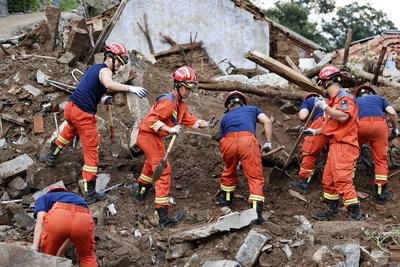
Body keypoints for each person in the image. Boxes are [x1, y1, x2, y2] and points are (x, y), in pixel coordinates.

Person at [40, 42, 148, 203]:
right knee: (91, 151)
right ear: (110, 58)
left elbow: (90, 89)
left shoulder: (93, 69)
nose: (119, 66)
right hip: (83, 114)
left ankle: (51, 155)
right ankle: (89, 192)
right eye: (118, 61)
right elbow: (109, 84)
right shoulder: (105, 70)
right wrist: (131, 89)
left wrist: (103, 98)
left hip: (71, 108)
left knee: (68, 132)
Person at [131, 66, 215, 227]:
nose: (189, 91)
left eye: (191, 88)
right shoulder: (168, 102)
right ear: (177, 84)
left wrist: (207, 124)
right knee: (164, 172)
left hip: (153, 137)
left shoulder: (180, 105)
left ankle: (140, 191)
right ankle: (162, 217)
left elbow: (191, 120)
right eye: (186, 87)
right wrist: (170, 129)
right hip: (148, 136)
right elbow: (150, 121)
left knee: (152, 164)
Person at [304, 65, 363, 221]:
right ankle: (332, 209)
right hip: (335, 145)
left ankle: (355, 213)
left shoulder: (345, 99)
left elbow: (343, 117)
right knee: (328, 179)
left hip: (345, 146)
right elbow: (331, 127)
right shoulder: (334, 102)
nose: (323, 87)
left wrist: (325, 108)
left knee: (342, 179)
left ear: (327, 82)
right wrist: (314, 132)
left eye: (323, 83)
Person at [217, 90, 273, 224]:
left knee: (229, 171)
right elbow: (267, 122)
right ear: (243, 103)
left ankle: (226, 202)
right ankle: (255, 215)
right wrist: (268, 143)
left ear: (228, 106)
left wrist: (236, 160)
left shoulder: (225, 117)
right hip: (247, 141)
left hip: (228, 142)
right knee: (254, 176)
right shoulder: (252, 109)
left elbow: (223, 138)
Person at [354, 83, 398, 204]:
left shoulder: (355, 101)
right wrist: (395, 128)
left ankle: (348, 186)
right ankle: (380, 193)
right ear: (372, 93)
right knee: (380, 159)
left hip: (360, 126)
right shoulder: (379, 99)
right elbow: (392, 112)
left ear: (359, 95)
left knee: (351, 154)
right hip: (379, 126)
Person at [31, 186, 97, 267]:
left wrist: (34, 248)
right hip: (84, 218)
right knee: (87, 257)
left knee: (47, 256)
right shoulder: (77, 198)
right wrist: (59, 254)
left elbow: (40, 221)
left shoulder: (44, 198)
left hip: (59, 215)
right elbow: (71, 234)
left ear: (50, 192)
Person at [289, 93, 329, 192]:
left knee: (309, 150)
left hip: (321, 121)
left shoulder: (308, 101)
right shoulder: (329, 101)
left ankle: (303, 183)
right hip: (335, 122)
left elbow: (303, 116)